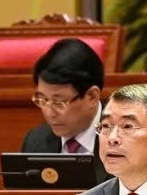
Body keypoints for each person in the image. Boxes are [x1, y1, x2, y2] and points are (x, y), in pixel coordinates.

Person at [20, 37, 111, 186]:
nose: (49, 113)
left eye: (59, 102)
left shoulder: (125, 141)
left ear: (92, 96)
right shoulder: (35, 141)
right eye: (42, 99)